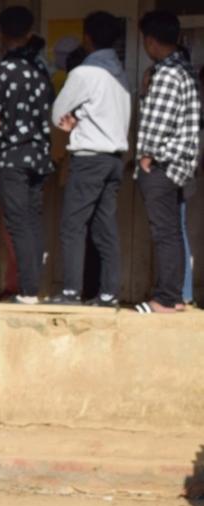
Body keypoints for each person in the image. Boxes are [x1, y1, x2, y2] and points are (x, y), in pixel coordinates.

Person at [49, 11, 131, 307]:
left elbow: (58, 111)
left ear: (87, 38)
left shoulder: (84, 73)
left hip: (89, 158)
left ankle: (71, 292)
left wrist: (70, 121)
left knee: (73, 226)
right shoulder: (120, 74)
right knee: (105, 229)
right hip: (114, 159)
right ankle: (109, 294)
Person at [134, 11, 201, 314]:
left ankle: (163, 298)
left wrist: (147, 157)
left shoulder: (167, 74)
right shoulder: (182, 69)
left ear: (150, 40)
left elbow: (158, 123)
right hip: (177, 165)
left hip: (161, 165)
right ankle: (173, 297)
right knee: (172, 232)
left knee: (164, 233)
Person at [0, 7, 55, 305]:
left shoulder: (3, 71)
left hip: (12, 157)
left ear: (2, 34)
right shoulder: (41, 69)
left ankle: (26, 291)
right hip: (39, 156)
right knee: (32, 221)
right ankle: (33, 287)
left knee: (17, 224)